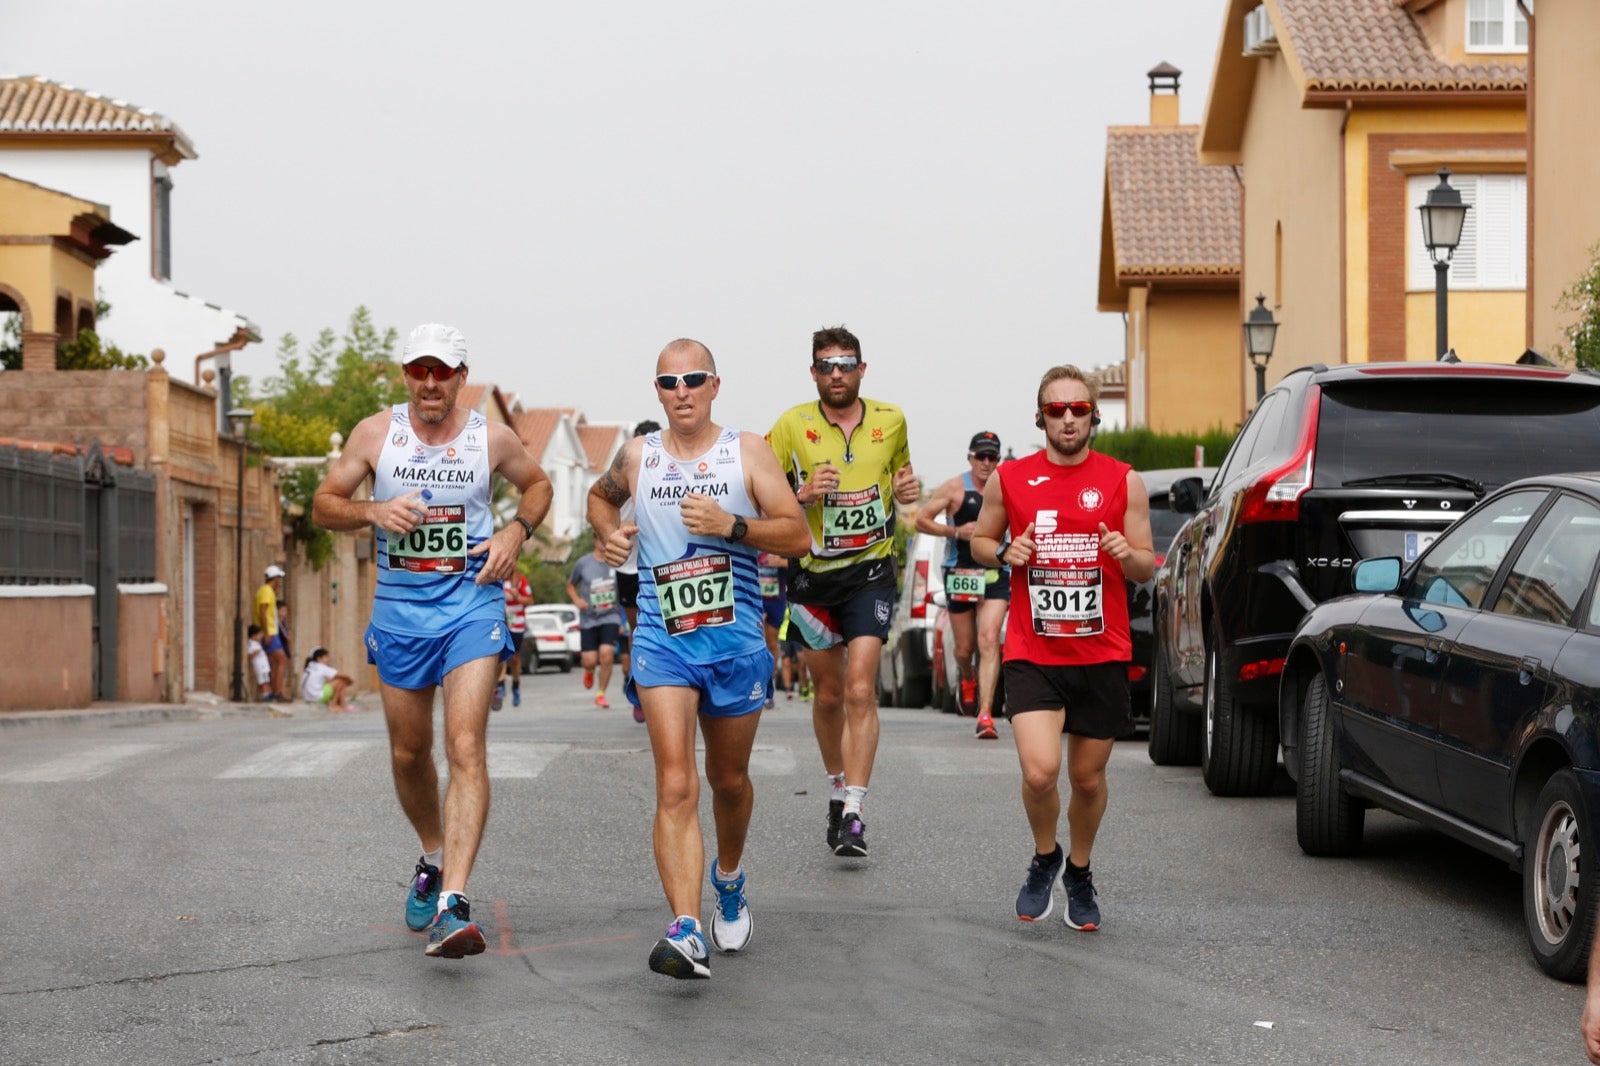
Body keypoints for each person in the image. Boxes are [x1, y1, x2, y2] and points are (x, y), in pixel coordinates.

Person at [312, 322, 553, 960]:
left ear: (460, 378)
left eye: (442, 371)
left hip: (472, 605)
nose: (429, 382)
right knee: (408, 753)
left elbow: (539, 484)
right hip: (399, 616)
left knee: (465, 746)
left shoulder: (490, 438)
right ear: (406, 375)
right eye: (419, 370)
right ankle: (432, 852)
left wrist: (515, 533)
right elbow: (324, 503)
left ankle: (454, 902)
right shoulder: (375, 434)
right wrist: (372, 511)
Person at [589, 337, 809, 980]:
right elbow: (600, 497)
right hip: (664, 641)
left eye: (693, 379)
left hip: (736, 644)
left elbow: (798, 534)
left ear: (715, 385)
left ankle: (729, 878)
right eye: (669, 382)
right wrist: (609, 532)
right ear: (657, 392)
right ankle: (685, 927)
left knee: (728, 782)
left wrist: (732, 525)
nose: (681, 391)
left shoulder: (747, 451)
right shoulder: (639, 455)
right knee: (676, 783)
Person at [970, 365, 1154, 932]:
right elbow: (980, 540)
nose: (1068, 419)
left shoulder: (1123, 480)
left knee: (1089, 780)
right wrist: (1005, 553)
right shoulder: (1011, 478)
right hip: (1034, 652)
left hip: (1101, 654)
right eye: (1056, 410)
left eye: (1078, 409)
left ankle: (1078, 869)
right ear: (1040, 417)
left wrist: (1126, 553)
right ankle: (1045, 855)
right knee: (1039, 773)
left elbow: (1146, 565)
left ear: (1094, 416)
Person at [766, 325, 917, 858]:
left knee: (859, 689)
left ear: (861, 369)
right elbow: (760, 494)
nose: (837, 373)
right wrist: (801, 492)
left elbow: (902, 478)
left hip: (871, 571)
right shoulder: (791, 425)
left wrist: (907, 488)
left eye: (846, 364)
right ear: (813, 372)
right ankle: (836, 787)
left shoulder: (892, 419)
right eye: (827, 365)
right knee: (828, 694)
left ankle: (854, 809)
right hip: (813, 576)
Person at [916, 430, 1011, 739]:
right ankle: (967, 676)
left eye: (992, 457)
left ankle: (985, 714)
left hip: (995, 572)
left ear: (998, 460)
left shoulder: (1007, 486)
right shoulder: (955, 488)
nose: (986, 463)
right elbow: (921, 519)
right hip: (961, 571)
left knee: (989, 639)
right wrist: (955, 532)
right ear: (970, 458)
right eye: (980, 457)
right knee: (964, 647)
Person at [616, 420, 662, 724]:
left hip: (661, 564)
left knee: (666, 625)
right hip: (629, 566)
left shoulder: (669, 474)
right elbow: (600, 507)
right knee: (639, 630)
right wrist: (613, 531)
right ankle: (640, 687)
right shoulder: (622, 474)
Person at [567, 548, 622, 708]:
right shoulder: (583, 563)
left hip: (610, 616)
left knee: (607, 655)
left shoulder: (617, 560)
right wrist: (577, 601)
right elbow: (570, 585)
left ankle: (601, 694)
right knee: (589, 661)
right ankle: (589, 671)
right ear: (595, 541)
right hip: (589, 619)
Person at [756, 551, 789, 709]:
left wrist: (781, 562)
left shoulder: (780, 544)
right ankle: (758, 685)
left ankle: (769, 682)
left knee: (771, 644)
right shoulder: (752, 543)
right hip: (758, 599)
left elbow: (798, 564)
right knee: (759, 642)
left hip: (776, 600)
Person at [253, 565, 291, 701]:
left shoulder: (268, 592)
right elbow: (263, 611)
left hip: (271, 631)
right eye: (279, 578)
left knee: (276, 662)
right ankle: (277, 692)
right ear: (274, 578)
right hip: (269, 632)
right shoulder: (266, 591)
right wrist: (266, 632)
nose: (280, 581)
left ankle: (275, 691)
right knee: (282, 659)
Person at [498, 570, 534, 709]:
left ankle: (516, 685)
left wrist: (517, 596)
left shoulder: (521, 580)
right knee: (499, 654)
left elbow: (530, 600)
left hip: (516, 623)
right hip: (501, 621)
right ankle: (500, 685)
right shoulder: (497, 578)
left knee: (514, 658)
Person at [300, 647, 357, 711]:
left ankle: (338, 704)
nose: (328, 659)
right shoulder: (321, 667)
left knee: (334, 681)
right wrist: (350, 681)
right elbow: (344, 675)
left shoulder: (310, 666)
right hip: (317, 698)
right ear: (319, 658)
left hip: (307, 698)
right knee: (342, 681)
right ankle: (338, 705)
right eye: (326, 657)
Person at [247, 625, 271, 702]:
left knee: (266, 680)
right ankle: (265, 696)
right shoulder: (250, 643)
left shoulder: (257, 643)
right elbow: (249, 655)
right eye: (259, 634)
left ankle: (267, 694)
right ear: (253, 635)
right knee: (263, 681)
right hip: (260, 666)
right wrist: (256, 652)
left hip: (264, 666)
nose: (261, 636)